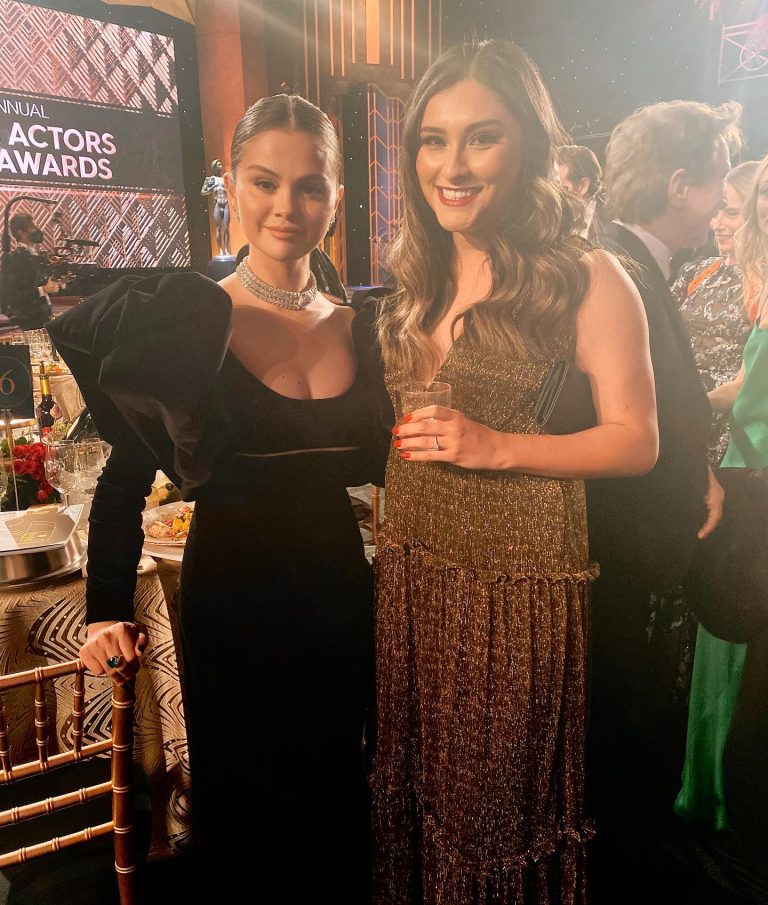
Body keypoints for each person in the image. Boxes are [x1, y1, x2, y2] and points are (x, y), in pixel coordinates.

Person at [48, 94, 392, 900]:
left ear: (336, 198)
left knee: (339, 790)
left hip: (340, 589)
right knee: (246, 806)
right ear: (230, 186)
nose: (286, 205)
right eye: (264, 181)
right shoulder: (186, 322)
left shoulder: (367, 326)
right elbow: (126, 476)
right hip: (232, 594)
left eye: (310, 185)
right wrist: (104, 608)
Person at [371, 40, 658, 905]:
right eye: (433, 139)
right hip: (414, 566)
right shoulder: (417, 270)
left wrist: (498, 445)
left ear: (528, 143)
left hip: (516, 583)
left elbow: (637, 440)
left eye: (482, 137)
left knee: (493, 822)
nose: (451, 165)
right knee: (417, 793)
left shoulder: (587, 275)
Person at [586, 99, 738, 889]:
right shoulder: (617, 269)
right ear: (679, 185)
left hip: (643, 545)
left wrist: (696, 470)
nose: (721, 206)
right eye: (716, 186)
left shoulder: (634, 260)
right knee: (622, 729)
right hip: (626, 552)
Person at [675, 153, 768, 862]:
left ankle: (726, 801)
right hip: (736, 470)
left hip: (748, 480)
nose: (726, 221)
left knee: (735, 646)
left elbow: (748, 390)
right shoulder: (717, 274)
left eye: (741, 211)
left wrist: (676, 407)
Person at [671, 160, 759, 462]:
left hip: (732, 435)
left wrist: (687, 407)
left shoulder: (762, 283)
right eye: (716, 211)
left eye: (731, 213)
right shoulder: (695, 272)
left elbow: (751, 385)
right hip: (678, 418)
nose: (716, 223)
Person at [0, 213, 58, 329]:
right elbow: (16, 293)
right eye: (33, 228)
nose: (37, 231)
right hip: (30, 319)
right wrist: (43, 289)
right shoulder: (18, 258)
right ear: (21, 232)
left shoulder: (34, 255)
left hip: (42, 315)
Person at [556, 144, 607, 241]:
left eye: (560, 188)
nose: (552, 194)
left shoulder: (610, 228)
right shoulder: (552, 217)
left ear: (583, 186)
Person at [200, 158, 231, 256]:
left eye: (221, 164)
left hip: (225, 203)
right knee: (219, 228)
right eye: (218, 164)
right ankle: (220, 250)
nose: (221, 166)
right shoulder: (211, 179)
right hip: (217, 203)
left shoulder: (224, 179)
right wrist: (211, 187)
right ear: (214, 167)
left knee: (226, 228)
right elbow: (203, 192)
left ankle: (226, 250)